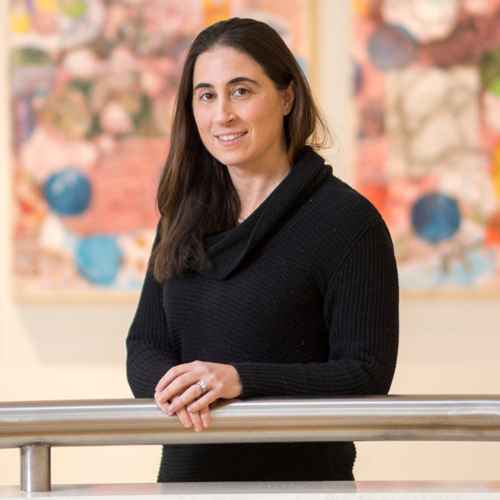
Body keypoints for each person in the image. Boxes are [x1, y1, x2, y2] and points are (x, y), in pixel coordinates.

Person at [126, 17, 399, 482]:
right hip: (186, 487)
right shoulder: (181, 218)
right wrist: (182, 388)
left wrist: (241, 381)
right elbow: (144, 346)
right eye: (206, 95)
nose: (222, 115)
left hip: (303, 489)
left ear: (287, 96)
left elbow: (365, 373)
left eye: (241, 91)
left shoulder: (348, 221)